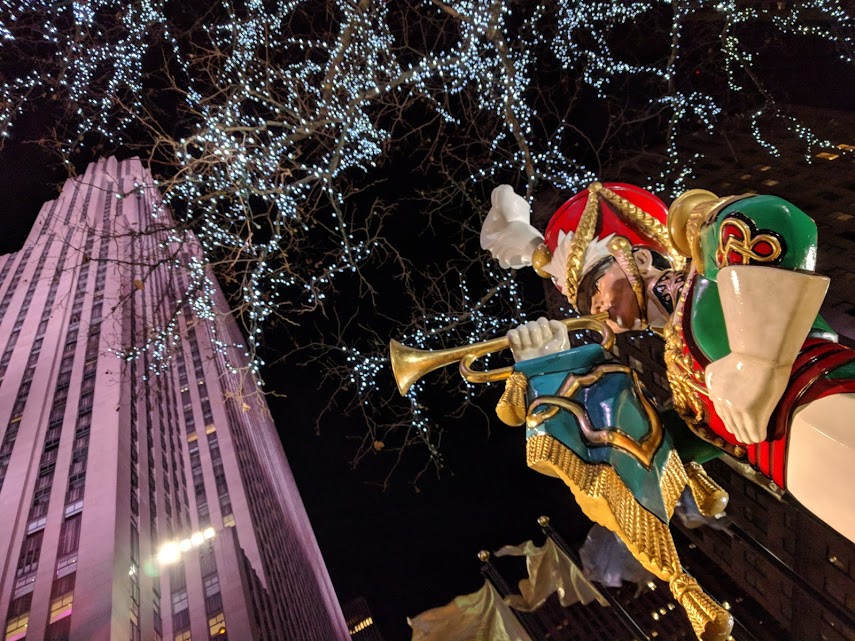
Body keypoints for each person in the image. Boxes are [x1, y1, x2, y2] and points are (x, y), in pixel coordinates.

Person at [482, 181, 855, 546]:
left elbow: (771, 218)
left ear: (639, 258)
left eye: (594, 286)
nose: (593, 308)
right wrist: (550, 367)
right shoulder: (681, 378)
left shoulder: (708, 278)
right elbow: (631, 468)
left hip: (838, 403)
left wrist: (755, 359)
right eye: (583, 304)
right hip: (818, 485)